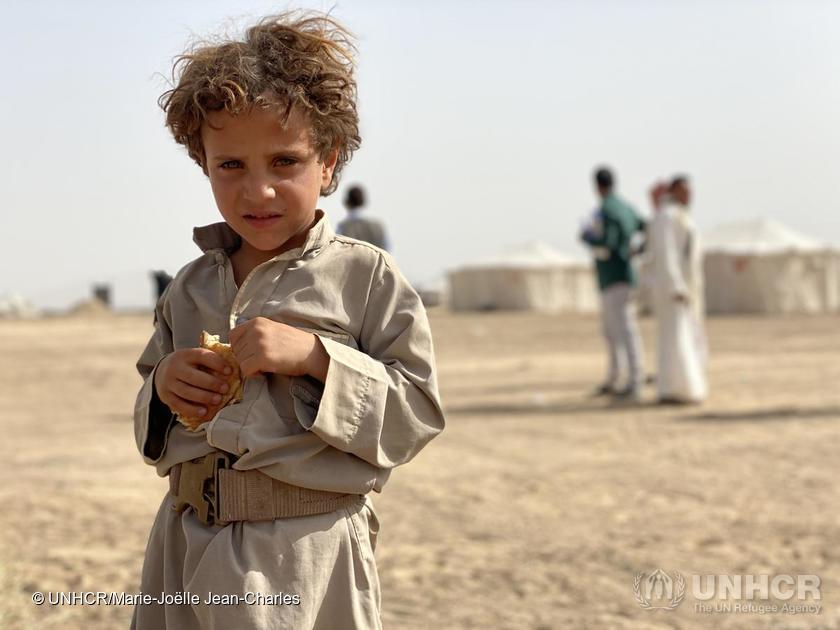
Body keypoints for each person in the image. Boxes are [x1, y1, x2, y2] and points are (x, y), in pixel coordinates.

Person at [131, 13, 445, 630]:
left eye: (284, 162)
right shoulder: (189, 287)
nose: (259, 191)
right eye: (231, 167)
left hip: (305, 554)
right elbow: (148, 411)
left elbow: (416, 416)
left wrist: (317, 359)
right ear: (203, 164)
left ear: (327, 162)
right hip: (183, 542)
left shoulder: (367, 279)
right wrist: (166, 386)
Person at [580, 167, 647, 400]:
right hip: (620, 275)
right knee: (613, 330)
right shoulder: (626, 207)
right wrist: (637, 250)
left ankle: (634, 380)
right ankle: (617, 376)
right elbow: (645, 226)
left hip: (614, 276)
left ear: (597, 186)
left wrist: (589, 238)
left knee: (623, 329)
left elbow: (606, 243)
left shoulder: (606, 210)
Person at [648, 175, 707, 404]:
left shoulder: (683, 217)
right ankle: (676, 388)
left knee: (687, 336)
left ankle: (684, 386)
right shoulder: (666, 217)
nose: (688, 195)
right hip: (674, 289)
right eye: (684, 190)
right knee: (675, 338)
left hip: (688, 288)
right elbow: (666, 253)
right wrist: (676, 285)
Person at [337, 184, 390, 250]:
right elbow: (387, 248)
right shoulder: (378, 226)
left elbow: (338, 250)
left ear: (347, 202)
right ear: (363, 201)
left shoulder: (343, 227)